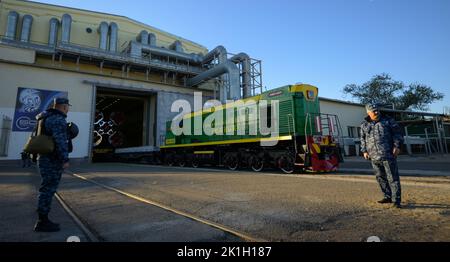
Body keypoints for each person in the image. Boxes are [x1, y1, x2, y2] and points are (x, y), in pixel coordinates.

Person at [34, 97, 71, 232]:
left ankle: (42, 216)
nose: (68, 109)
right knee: (48, 189)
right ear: (64, 106)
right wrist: (65, 159)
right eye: (68, 106)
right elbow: (60, 141)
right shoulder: (58, 119)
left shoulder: (44, 117)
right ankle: (42, 221)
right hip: (52, 160)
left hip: (43, 158)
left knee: (45, 188)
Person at [360, 103, 404, 208]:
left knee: (393, 178)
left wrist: (397, 146)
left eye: (377, 110)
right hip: (373, 156)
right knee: (380, 178)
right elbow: (362, 138)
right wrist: (364, 151)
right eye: (373, 111)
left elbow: (398, 134)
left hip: (388, 154)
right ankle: (387, 196)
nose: (376, 112)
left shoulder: (388, 121)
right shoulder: (364, 124)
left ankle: (396, 200)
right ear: (368, 112)